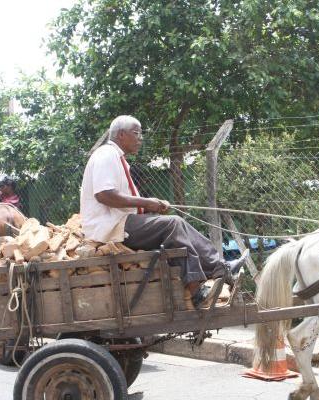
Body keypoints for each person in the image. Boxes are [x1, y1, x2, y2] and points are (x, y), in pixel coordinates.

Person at [81, 115, 249, 309]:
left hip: (121, 221)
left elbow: (119, 198)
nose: (141, 138)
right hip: (110, 227)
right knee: (173, 224)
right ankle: (200, 286)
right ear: (121, 135)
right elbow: (104, 195)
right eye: (137, 133)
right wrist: (148, 203)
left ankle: (221, 269)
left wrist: (151, 205)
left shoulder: (116, 158)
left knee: (179, 225)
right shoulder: (106, 154)